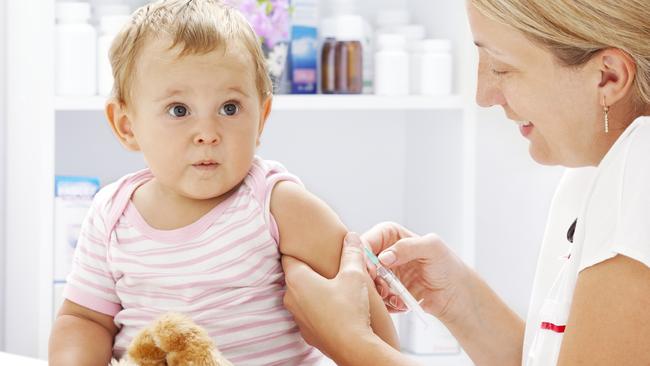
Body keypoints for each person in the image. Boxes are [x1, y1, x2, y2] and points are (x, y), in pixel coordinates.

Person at [282, 1, 650, 365]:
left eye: (501, 68)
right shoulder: (594, 172)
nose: (483, 96)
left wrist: (351, 343)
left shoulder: (639, 173)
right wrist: (459, 300)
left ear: (609, 77)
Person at [47, 1, 398, 365]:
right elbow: (84, 319)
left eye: (229, 108)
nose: (207, 133)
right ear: (126, 125)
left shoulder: (277, 205)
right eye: (179, 110)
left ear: (261, 117)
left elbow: (361, 311)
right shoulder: (111, 214)